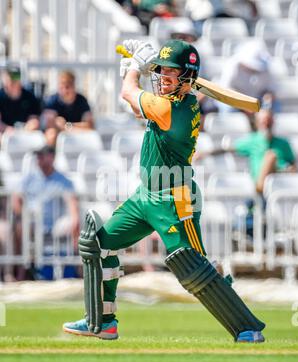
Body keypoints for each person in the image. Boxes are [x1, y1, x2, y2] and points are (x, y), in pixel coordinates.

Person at [63, 39, 265, 342]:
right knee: (100, 245)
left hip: (175, 198)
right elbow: (135, 106)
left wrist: (134, 70)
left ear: (186, 78)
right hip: (146, 194)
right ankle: (103, 321)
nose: (162, 78)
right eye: (160, 72)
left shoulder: (177, 109)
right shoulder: (168, 103)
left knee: (193, 267)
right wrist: (131, 74)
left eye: (169, 73)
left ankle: (245, 327)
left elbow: (128, 93)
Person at [12, 145, 80, 280]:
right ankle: (21, 270)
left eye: (42, 156)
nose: (39, 159)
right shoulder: (29, 178)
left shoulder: (63, 180)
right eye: (38, 157)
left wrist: (75, 219)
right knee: (20, 227)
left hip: (56, 223)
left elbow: (72, 203)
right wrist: (22, 215)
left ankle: (76, 269)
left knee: (74, 223)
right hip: (32, 222)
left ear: (52, 157)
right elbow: (16, 198)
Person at [195, 108, 298, 194]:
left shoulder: (283, 143)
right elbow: (227, 149)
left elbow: (293, 165)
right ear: (257, 123)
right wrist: (204, 153)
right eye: (263, 120)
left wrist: (289, 169)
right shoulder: (252, 140)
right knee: (271, 156)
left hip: (282, 181)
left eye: (268, 120)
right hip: (262, 184)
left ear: (273, 121)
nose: (266, 123)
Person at [42, 70, 94, 147]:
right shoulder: (52, 100)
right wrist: (58, 124)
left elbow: (89, 125)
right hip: (59, 133)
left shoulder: (82, 100)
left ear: (73, 86)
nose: (64, 90)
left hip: (76, 132)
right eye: (61, 86)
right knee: (51, 134)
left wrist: (68, 125)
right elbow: (49, 124)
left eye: (67, 86)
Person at [0, 66, 41, 135]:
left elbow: (34, 119)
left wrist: (25, 129)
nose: (11, 83)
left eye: (14, 80)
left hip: (26, 132)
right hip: (4, 132)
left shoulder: (29, 97)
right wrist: (7, 129)